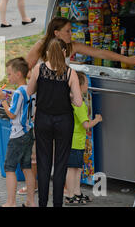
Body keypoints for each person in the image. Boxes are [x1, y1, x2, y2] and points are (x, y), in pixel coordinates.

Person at [27, 38, 83, 207]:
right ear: (65, 52)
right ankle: (57, 203)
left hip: (43, 119)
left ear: (48, 53)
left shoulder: (39, 69)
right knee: (60, 163)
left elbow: (29, 91)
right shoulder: (69, 73)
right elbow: (79, 102)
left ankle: (42, 203)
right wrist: (70, 96)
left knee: (43, 162)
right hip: (64, 120)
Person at [25, 16, 135, 70]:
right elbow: (25, 69)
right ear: (56, 33)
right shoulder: (41, 45)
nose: (71, 34)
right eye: (68, 31)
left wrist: (126, 59)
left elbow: (100, 53)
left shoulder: (72, 46)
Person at [0, 57, 36, 207]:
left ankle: (11, 202)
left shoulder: (19, 93)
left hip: (18, 134)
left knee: (9, 168)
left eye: (9, 74)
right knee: (27, 167)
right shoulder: (30, 90)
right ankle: (31, 201)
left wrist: (3, 100)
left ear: (18, 74)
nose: (8, 77)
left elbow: (12, 114)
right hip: (29, 132)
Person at [65, 71, 102, 205]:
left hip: (74, 141)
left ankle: (76, 192)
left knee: (77, 168)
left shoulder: (70, 99)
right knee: (72, 169)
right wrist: (97, 120)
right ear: (78, 85)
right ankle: (70, 195)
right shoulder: (79, 103)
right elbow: (86, 125)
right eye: (86, 83)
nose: (88, 85)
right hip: (75, 141)